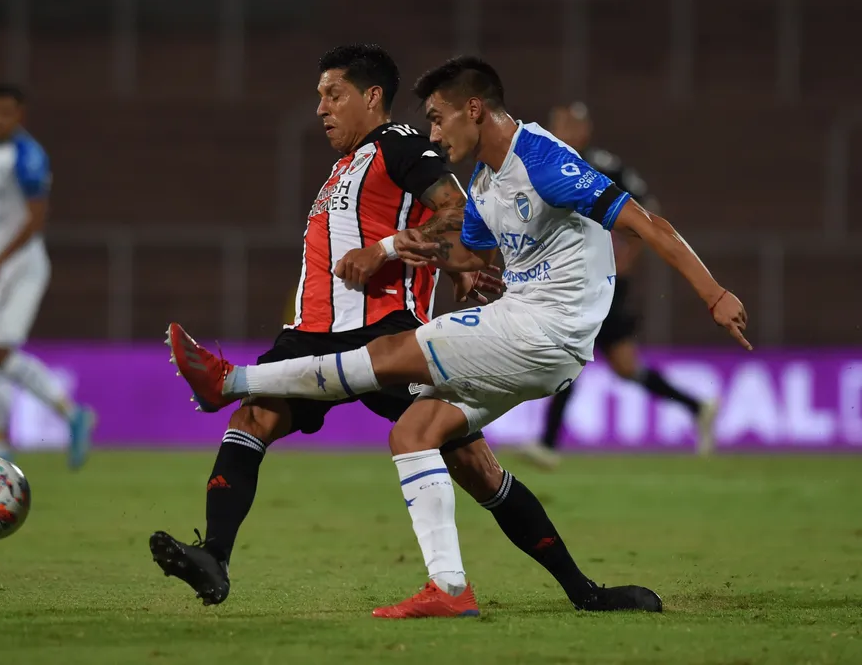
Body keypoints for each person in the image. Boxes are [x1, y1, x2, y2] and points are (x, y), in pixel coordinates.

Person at [159, 53, 752, 619]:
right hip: (534, 333)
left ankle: (229, 380)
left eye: (438, 119)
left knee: (389, 357)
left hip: (541, 326)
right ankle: (467, 589)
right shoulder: (488, 183)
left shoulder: (539, 158)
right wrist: (422, 254)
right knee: (418, 435)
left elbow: (649, 224)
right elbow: (469, 253)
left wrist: (714, 294)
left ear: (473, 109)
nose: (434, 134)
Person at [518, 102, 718, 469]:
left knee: (572, 353)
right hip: (571, 278)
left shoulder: (602, 165)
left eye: (570, 124)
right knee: (624, 366)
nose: (563, 130)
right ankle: (697, 407)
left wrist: (627, 256)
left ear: (585, 130)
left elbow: (648, 211)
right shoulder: (546, 163)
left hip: (598, 281)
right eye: (558, 123)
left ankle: (547, 444)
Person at [0, 83, 95, 468]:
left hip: (23, 266)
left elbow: (36, 219)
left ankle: (69, 414)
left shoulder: (29, 156)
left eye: (3, 113)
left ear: (19, 115)